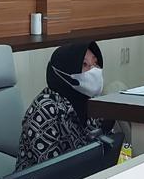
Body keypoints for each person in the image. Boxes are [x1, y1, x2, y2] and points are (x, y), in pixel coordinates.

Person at [16, 42, 108, 170]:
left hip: (87, 176)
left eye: (95, 63)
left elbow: (104, 147)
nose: (94, 70)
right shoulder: (44, 110)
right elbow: (51, 171)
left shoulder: (90, 101)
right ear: (66, 71)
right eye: (84, 64)